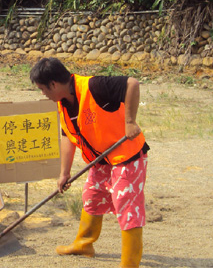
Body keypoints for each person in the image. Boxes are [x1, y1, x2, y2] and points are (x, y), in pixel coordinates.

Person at [29, 57, 149, 268]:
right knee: (92, 196)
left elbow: (132, 83)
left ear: (54, 84)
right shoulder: (63, 103)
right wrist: (64, 173)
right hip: (101, 159)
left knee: (126, 204)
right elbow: (67, 135)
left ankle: (130, 265)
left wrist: (130, 121)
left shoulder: (94, 86)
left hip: (126, 154)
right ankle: (84, 244)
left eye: (42, 89)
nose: (43, 94)